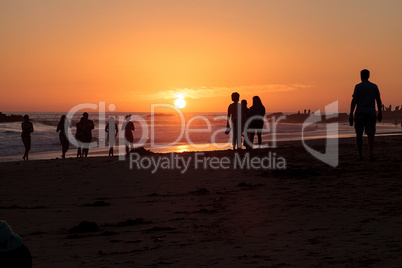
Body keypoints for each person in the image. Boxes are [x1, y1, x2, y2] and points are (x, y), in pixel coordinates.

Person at [349, 69, 382, 161]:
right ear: (369, 76)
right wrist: (380, 112)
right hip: (371, 112)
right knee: (370, 134)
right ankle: (370, 155)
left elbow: (354, 101)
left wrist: (351, 113)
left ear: (361, 76)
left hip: (360, 112)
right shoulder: (374, 86)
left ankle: (360, 156)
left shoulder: (358, 87)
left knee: (359, 134)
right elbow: (378, 100)